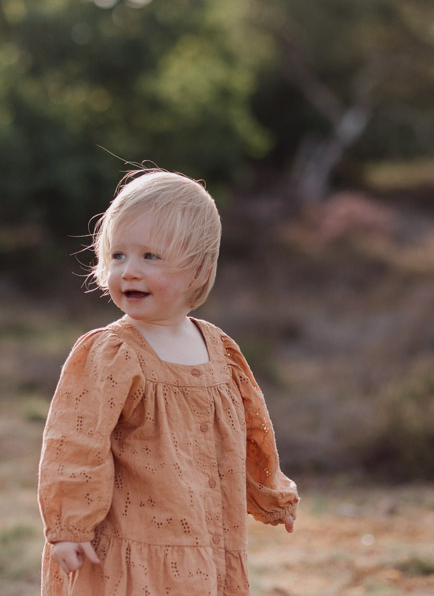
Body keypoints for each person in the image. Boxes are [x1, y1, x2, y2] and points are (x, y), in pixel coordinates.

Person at [37, 169, 298, 595]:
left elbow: (250, 431)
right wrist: (70, 526)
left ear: (197, 269)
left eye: (150, 257)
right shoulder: (111, 352)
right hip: (128, 550)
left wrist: (272, 494)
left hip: (206, 542)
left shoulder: (219, 349)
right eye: (118, 255)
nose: (130, 272)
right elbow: (74, 442)